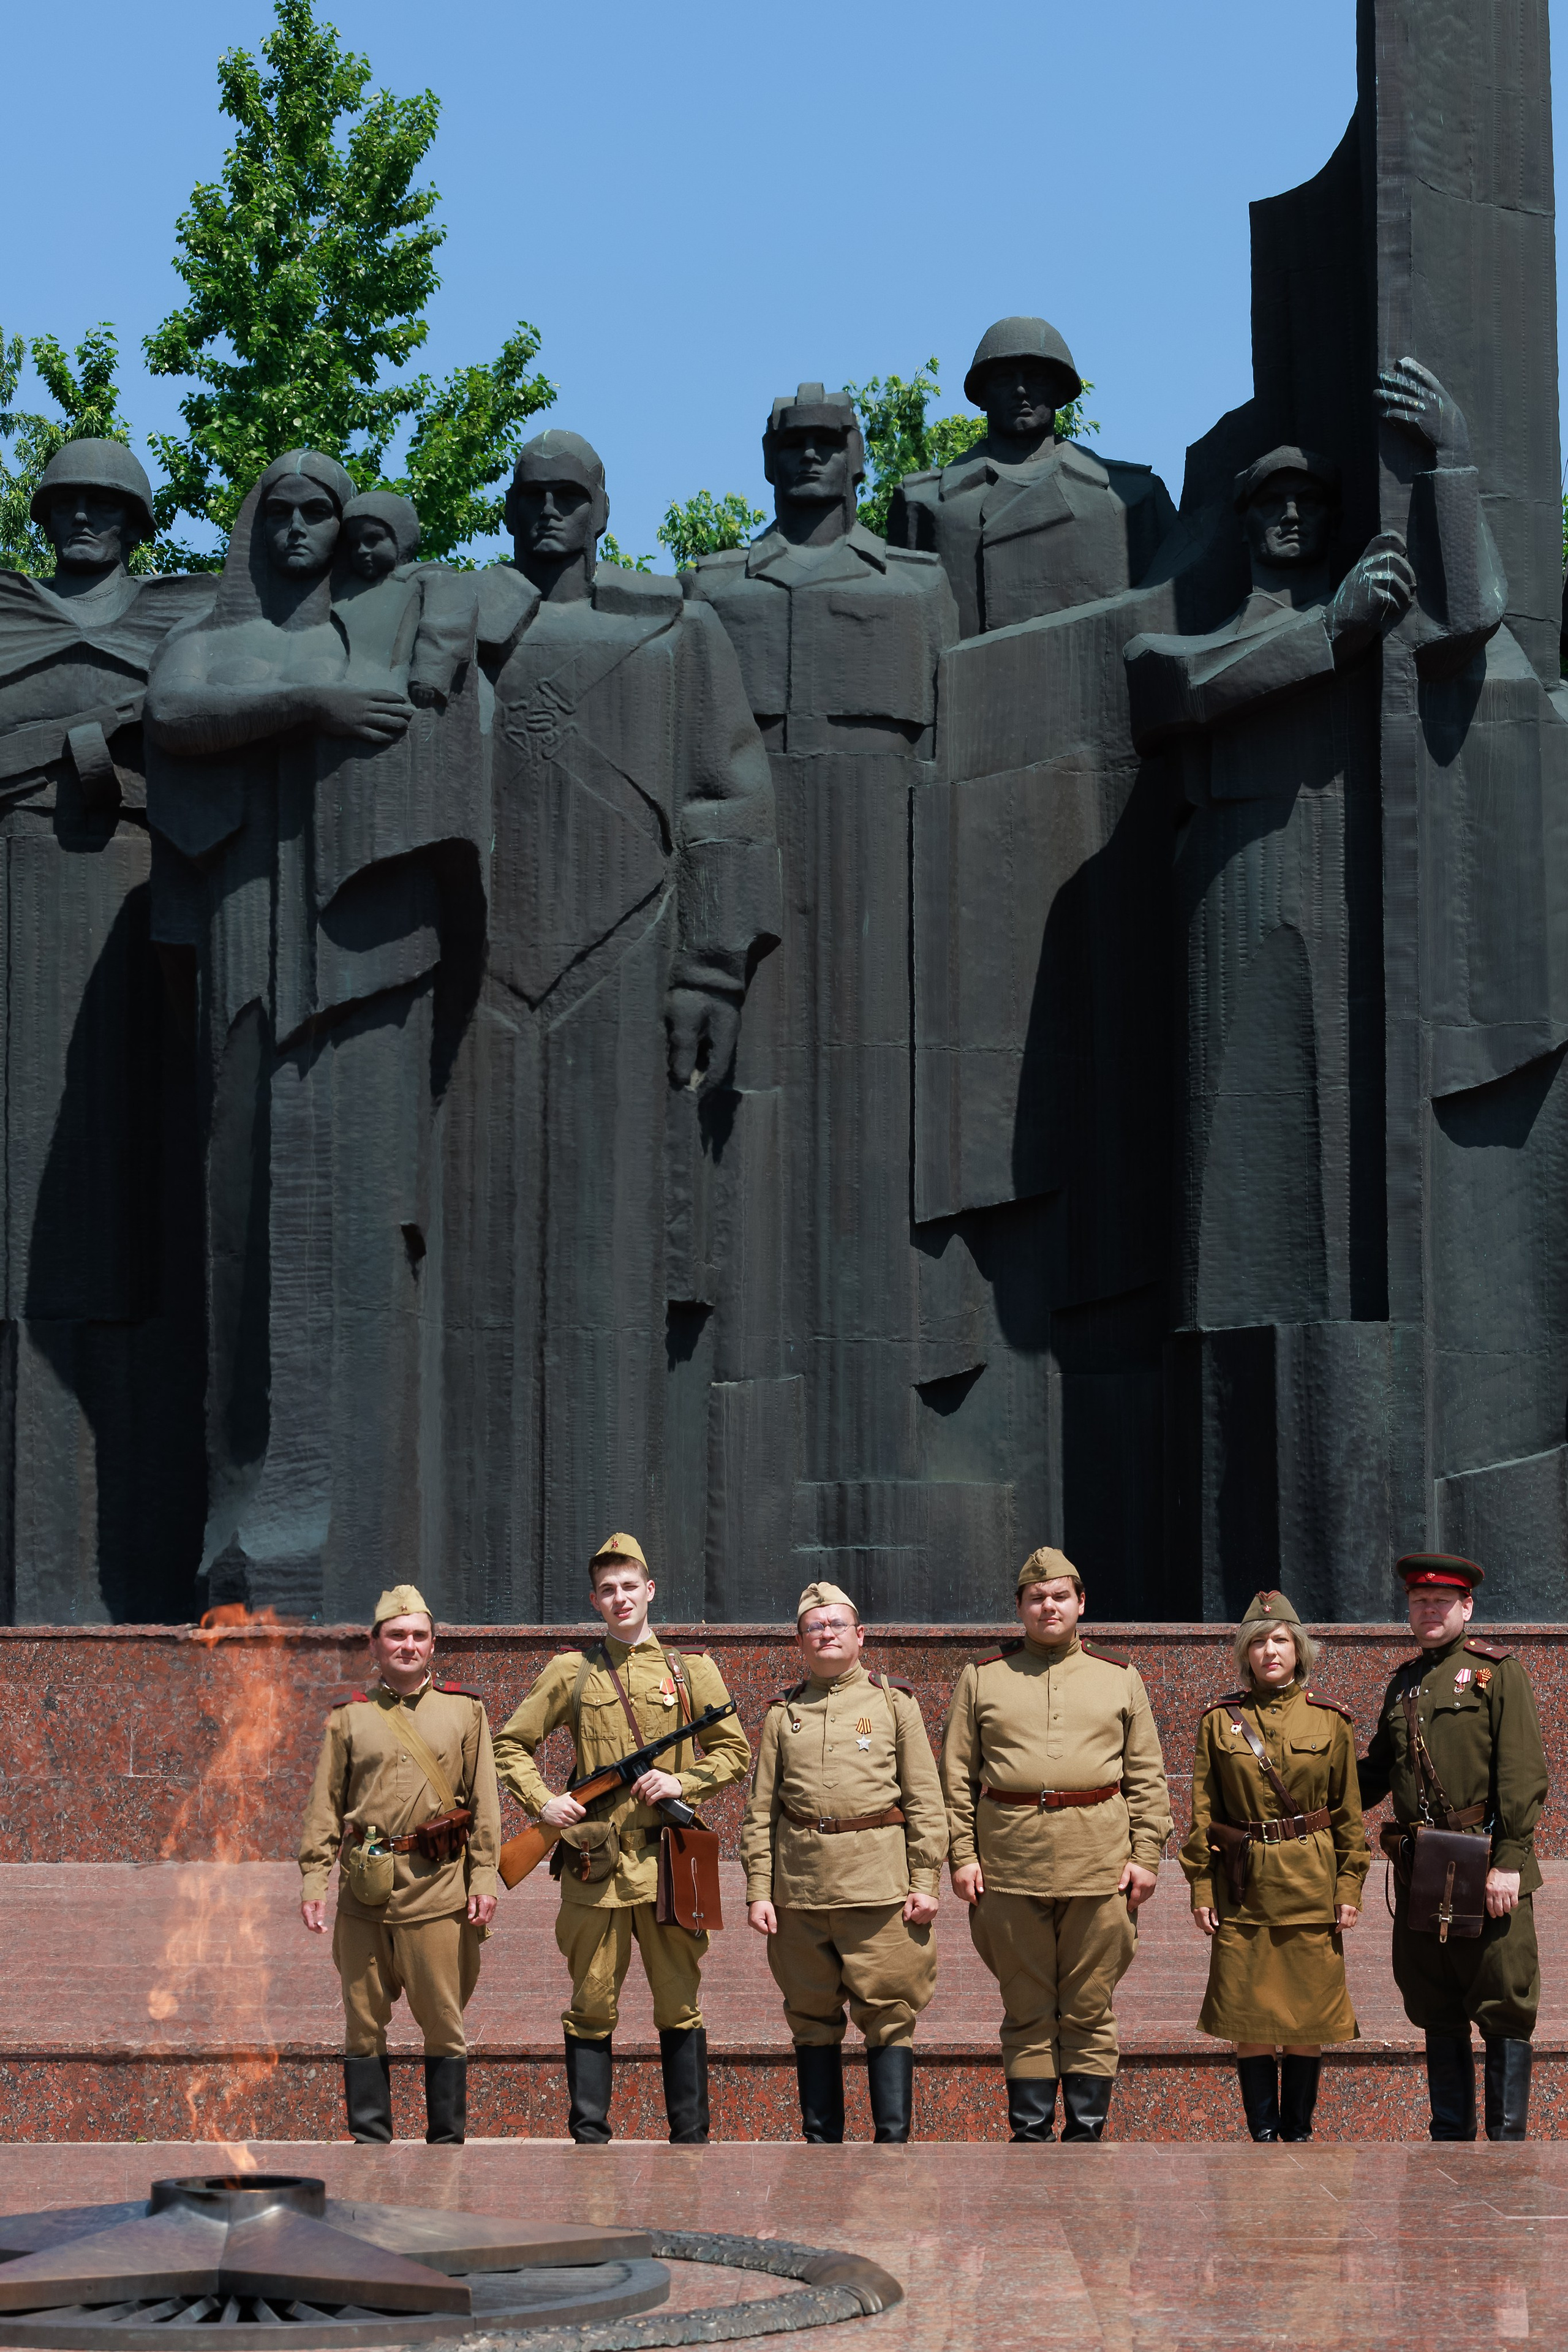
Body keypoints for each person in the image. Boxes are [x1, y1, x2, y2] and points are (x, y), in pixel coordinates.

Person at [685, 388, 1027, 1606]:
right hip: (763, 878)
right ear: (765, 458)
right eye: (790, 445)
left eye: (828, 444)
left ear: (858, 456)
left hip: (888, 881)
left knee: (883, 1154)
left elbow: (956, 756)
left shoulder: (917, 585)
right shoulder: (710, 590)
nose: (810, 460)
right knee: (751, 1152)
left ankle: (890, 1425)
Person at [434, 431, 780, 1612]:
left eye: (568, 497)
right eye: (529, 496)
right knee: (468, 1282)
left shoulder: (678, 632)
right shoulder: (451, 633)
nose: (547, 514)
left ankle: (616, 1560)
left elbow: (728, 799)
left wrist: (712, 969)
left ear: (602, 512)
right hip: (478, 978)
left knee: (618, 1266)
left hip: (625, 965)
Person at [145, 452, 488, 1616]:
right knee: (244, 1216)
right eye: (279, 511)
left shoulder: (384, 628)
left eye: (320, 512)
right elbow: (174, 716)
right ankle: (246, 1531)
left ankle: (359, 1526)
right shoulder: (210, 642)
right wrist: (311, 708)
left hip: (365, 953)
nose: (297, 528)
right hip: (246, 936)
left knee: (358, 1221)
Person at [0, 439, 213, 1616]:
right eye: (66, 502)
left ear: (136, 519)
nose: (83, 519)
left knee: (147, 1220)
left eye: (105, 504)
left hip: (145, 931)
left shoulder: (187, 623)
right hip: (15, 930)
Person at [492, 1532, 752, 2145]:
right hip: (596, 1868)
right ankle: (589, 2138)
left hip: (671, 1865)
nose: (620, 1598)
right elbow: (510, 1745)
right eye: (608, 1590)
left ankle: (690, 2140)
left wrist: (681, 1781)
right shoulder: (571, 1671)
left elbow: (735, 1752)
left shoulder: (691, 1671)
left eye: (630, 1586)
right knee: (591, 2004)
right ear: (595, 1600)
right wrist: (544, 1802)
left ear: (650, 1590)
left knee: (680, 2005)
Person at [940, 1545, 1172, 2142]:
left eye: (1060, 1596)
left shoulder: (1118, 1677)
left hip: (1099, 1864)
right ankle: (1031, 2133)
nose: (1049, 1606)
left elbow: (1147, 1777)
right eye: (1037, 1598)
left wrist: (1146, 1856)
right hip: (1009, 1864)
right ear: (1020, 1607)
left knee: (1090, 2006)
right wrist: (962, 1856)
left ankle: (1086, 2133)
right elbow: (956, 1777)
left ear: (1081, 1604)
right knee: (1026, 2006)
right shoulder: (982, 1677)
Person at [741, 1580, 948, 2144]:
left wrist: (926, 1880)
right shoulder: (783, 1713)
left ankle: (892, 2144)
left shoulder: (893, 1703)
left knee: (890, 2015)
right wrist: (760, 1889)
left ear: (861, 1636)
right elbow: (761, 1811)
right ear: (799, 1641)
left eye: (836, 1625)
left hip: (879, 1888)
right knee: (810, 2018)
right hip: (800, 1891)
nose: (825, 1633)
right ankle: (821, 2146)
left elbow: (925, 1800)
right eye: (814, 1626)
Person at [297, 1582, 500, 2146]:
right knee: (362, 2024)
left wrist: (484, 1877)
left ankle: (446, 2145)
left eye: (418, 1636)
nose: (408, 1645)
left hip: (437, 1889)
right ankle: (369, 2142)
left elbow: (484, 1803)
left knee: (445, 2023)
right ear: (374, 1644)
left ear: (433, 1645)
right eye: (396, 1636)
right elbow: (324, 1808)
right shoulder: (348, 1719)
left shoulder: (465, 1711)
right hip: (364, 1893)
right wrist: (314, 1880)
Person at [1358, 1553, 1548, 2141]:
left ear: (1467, 1607)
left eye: (1442, 1602)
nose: (1429, 1611)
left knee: (1502, 1999)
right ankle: (1450, 2141)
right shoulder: (1404, 1683)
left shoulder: (1497, 1673)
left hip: (1484, 1860)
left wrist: (1509, 1862)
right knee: (1434, 2001)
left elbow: (1522, 1773)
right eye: (1419, 1602)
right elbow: (1376, 1773)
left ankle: (1506, 2147)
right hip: (1424, 1868)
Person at [1182, 1589, 1369, 2143]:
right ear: (1246, 1652)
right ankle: (1263, 2133)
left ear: (1299, 1650)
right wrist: (1201, 1889)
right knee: (1250, 2015)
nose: (1270, 1651)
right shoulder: (1219, 1723)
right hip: (1244, 1886)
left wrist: (1349, 1887)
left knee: (1308, 2017)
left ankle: (1299, 2131)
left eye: (1281, 1640)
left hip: (1311, 1883)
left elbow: (1348, 1815)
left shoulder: (1331, 1721)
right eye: (1259, 1642)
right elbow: (1203, 1815)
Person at [888, 315, 1174, 636]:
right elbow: (900, 625)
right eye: (1004, 379)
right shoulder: (921, 502)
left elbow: (1177, 609)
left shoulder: (1134, 496)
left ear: (1059, 392)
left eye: (1037, 377)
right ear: (981, 396)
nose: (1021, 390)